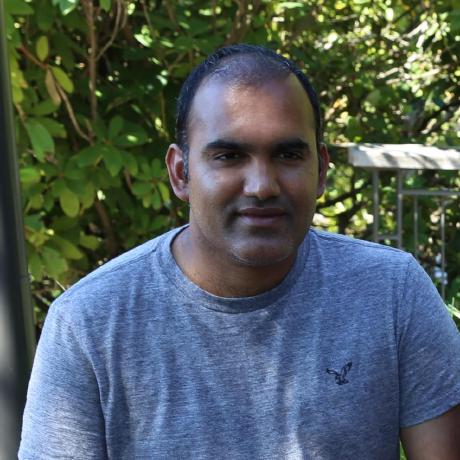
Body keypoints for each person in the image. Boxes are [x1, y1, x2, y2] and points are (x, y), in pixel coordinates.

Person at [19, 44, 460, 459]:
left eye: (288, 155)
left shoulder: (391, 293)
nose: (262, 186)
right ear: (180, 173)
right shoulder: (89, 324)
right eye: (229, 156)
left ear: (322, 172)